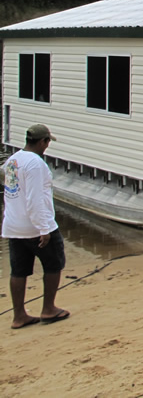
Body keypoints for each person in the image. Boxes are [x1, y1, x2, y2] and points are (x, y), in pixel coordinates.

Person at [2, 124, 70, 328]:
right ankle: (48, 308)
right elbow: (35, 199)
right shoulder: (36, 164)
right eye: (48, 142)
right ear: (42, 142)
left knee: (18, 270)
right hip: (35, 225)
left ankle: (19, 315)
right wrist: (44, 229)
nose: (47, 146)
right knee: (54, 264)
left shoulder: (13, 160)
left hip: (13, 225)